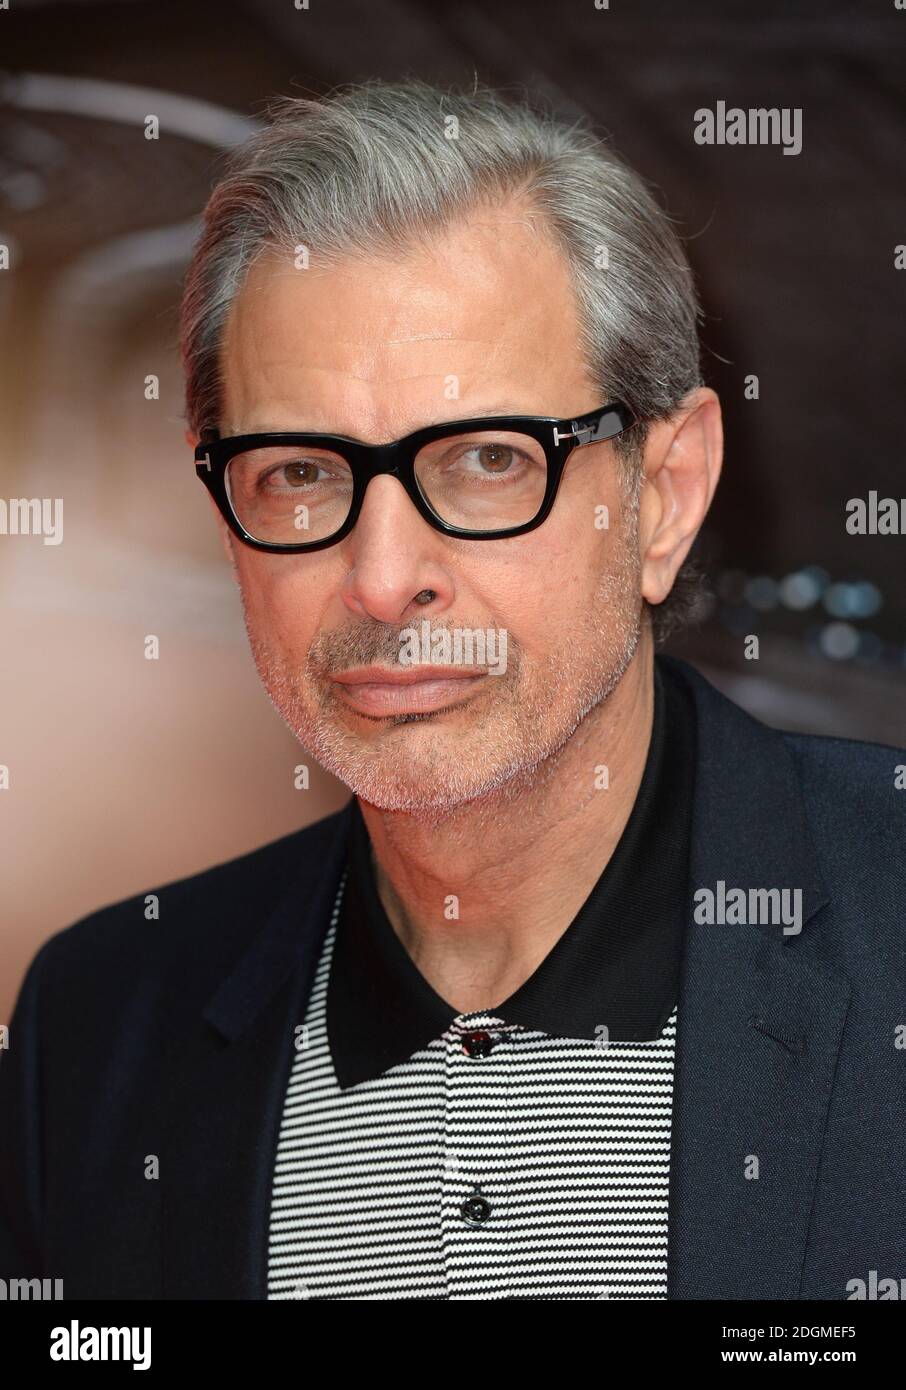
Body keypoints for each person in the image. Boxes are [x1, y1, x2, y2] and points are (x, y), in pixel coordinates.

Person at [1, 79, 903, 1301]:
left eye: (486, 461)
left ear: (666, 494)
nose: (381, 579)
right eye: (301, 472)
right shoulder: (95, 1032)